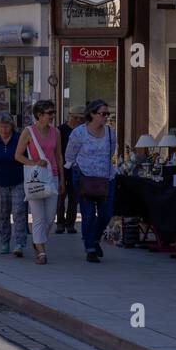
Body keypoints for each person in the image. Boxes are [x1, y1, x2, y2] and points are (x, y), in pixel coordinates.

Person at [65, 99, 117, 263]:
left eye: (108, 114)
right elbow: (69, 156)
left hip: (107, 178)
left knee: (106, 214)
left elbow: (111, 152)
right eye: (103, 114)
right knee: (88, 215)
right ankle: (90, 248)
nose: (106, 117)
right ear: (92, 114)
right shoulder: (79, 133)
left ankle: (95, 238)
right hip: (84, 178)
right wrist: (77, 171)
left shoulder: (110, 133)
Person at [15, 99, 65, 265]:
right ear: (39, 115)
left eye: (53, 113)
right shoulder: (28, 132)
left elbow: (59, 156)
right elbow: (18, 155)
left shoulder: (56, 132)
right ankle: (41, 251)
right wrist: (34, 162)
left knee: (50, 218)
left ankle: (37, 241)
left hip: (52, 177)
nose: (52, 116)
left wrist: (62, 180)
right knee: (38, 217)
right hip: (35, 178)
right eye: (49, 113)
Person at [0, 113, 27, 257]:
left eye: (6, 126)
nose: (4, 130)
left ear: (12, 126)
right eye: (1, 127)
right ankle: (5, 241)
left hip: (18, 180)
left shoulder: (19, 138)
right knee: (2, 213)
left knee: (19, 211)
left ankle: (20, 243)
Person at [57, 108, 84, 234]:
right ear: (69, 116)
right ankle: (60, 223)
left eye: (81, 118)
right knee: (61, 196)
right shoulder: (61, 130)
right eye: (76, 117)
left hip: (77, 168)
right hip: (62, 167)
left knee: (74, 198)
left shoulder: (83, 130)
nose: (78, 120)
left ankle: (70, 224)